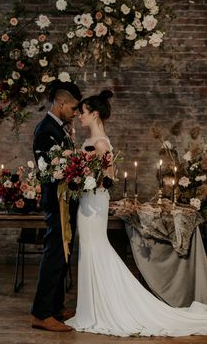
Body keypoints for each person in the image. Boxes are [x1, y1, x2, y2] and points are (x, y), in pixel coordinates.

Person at [65, 89, 207, 337]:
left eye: (83, 112)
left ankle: (106, 308)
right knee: (88, 249)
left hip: (94, 200)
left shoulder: (100, 143)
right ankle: (92, 307)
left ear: (95, 114)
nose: (79, 116)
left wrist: (83, 177)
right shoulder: (92, 141)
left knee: (95, 247)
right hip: (88, 200)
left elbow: (108, 178)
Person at [31, 79, 82, 332]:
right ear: (61, 103)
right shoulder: (45, 129)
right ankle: (42, 313)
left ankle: (57, 306)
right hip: (56, 203)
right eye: (73, 108)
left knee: (64, 254)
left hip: (67, 201)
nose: (75, 112)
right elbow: (47, 171)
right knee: (54, 254)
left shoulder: (60, 127)